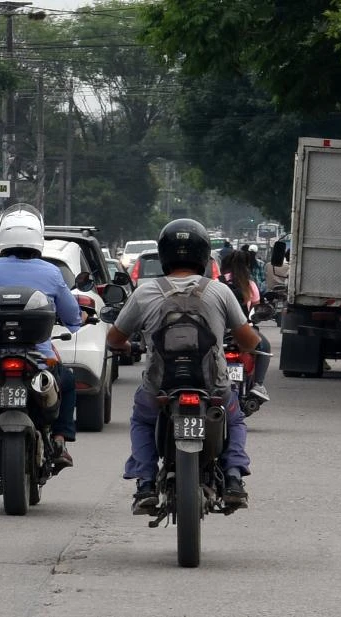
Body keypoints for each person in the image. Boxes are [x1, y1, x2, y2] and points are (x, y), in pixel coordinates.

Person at [106, 219, 260, 514]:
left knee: (142, 419)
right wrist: (249, 343)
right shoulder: (219, 292)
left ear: (163, 254)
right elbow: (249, 341)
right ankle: (233, 480)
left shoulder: (144, 292)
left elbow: (115, 338)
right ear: (204, 255)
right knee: (236, 419)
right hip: (212, 385)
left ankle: (146, 484)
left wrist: (127, 346)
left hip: (159, 386)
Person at [0, 204, 83, 473]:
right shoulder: (51, 272)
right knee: (69, 381)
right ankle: (60, 440)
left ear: (3, 236)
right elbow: (72, 315)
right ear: (38, 237)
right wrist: (77, 321)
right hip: (39, 359)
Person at [220, 249, 272, 402]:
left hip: (220, 330)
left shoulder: (217, 282)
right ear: (248, 266)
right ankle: (258, 384)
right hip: (243, 329)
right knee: (265, 347)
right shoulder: (250, 285)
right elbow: (256, 306)